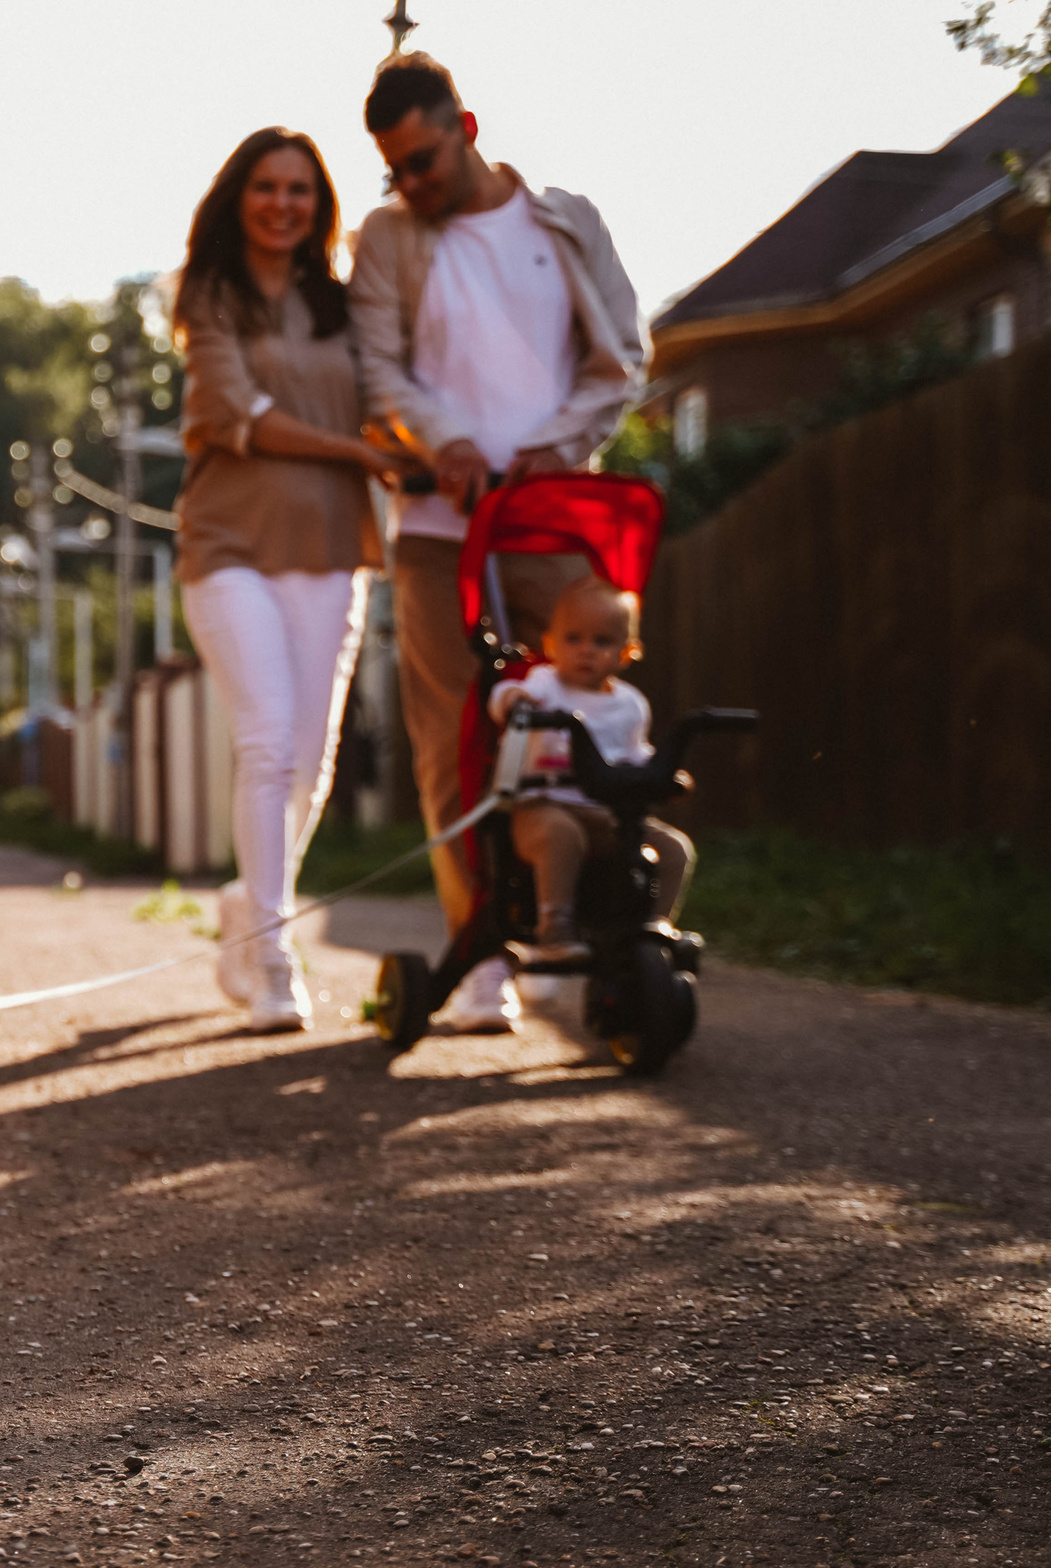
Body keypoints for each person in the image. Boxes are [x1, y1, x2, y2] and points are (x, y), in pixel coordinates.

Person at [347, 53, 645, 1031]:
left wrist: (550, 450)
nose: (409, 185)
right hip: (438, 531)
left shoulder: (564, 224)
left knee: (577, 719)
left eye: (422, 162)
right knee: (454, 743)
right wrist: (449, 442)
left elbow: (623, 362)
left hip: (551, 516)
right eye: (394, 170)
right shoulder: (388, 238)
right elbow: (379, 372)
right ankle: (480, 958)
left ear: (464, 128)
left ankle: (591, 932)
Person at [172, 126, 415, 1033]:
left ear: (320, 205)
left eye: (300, 189)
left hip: (332, 546)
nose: (283, 203)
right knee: (267, 740)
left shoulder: (345, 305)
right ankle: (273, 953)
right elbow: (238, 412)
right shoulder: (212, 294)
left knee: (309, 764)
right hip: (230, 542)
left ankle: (248, 901)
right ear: (240, 197)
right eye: (267, 186)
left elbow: (390, 396)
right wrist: (352, 448)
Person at [487, 577, 693, 960]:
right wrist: (513, 698)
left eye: (601, 642)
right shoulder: (544, 685)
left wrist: (660, 774)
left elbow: (635, 754)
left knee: (674, 849)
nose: (586, 651)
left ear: (627, 653)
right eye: (573, 639)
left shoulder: (631, 705)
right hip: (542, 807)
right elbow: (502, 701)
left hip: (605, 813)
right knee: (562, 834)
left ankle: (653, 926)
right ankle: (555, 926)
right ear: (549, 644)